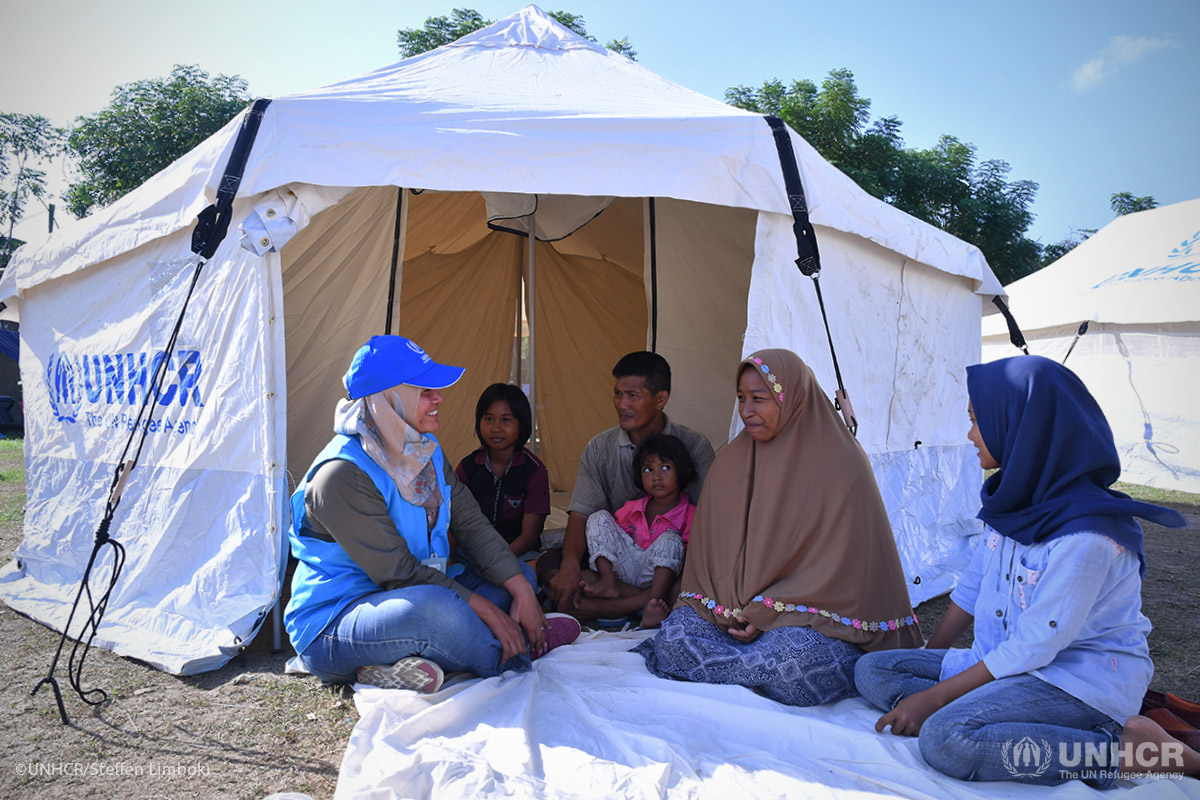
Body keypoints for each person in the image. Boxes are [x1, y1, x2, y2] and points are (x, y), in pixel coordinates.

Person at [854, 355, 1195, 787]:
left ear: (1021, 428)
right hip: (1004, 664)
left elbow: (1037, 645)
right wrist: (928, 659)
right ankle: (1004, 719)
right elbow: (973, 587)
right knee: (873, 671)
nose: (970, 435)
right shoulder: (1012, 499)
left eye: (978, 422)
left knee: (947, 741)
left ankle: (1134, 753)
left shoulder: (1086, 537)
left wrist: (932, 699)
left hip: (1074, 681)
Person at [284, 335, 579, 692]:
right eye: (424, 390)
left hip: (423, 587)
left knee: (517, 580)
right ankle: (516, 653)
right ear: (387, 397)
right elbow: (400, 573)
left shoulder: (424, 450)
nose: (438, 397)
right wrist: (487, 612)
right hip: (341, 618)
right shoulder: (341, 475)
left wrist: (522, 593)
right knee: (437, 613)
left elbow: (470, 523)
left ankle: (393, 666)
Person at [636, 349, 922, 707]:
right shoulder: (731, 462)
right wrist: (734, 608)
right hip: (732, 614)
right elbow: (714, 559)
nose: (746, 411)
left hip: (807, 619)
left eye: (759, 399)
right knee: (676, 639)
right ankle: (753, 674)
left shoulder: (842, 463)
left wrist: (772, 611)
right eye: (741, 398)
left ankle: (737, 671)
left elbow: (842, 573)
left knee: (794, 665)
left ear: (793, 398)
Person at [545, 351, 715, 613]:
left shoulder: (694, 446)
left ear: (661, 400)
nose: (622, 405)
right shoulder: (599, 448)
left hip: (668, 567)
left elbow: (708, 527)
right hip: (615, 564)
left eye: (633, 396)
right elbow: (581, 515)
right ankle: (647, 601)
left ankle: (612, 606)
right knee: (551, 563)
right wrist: (569, 566)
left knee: (693, 573)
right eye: (617, 394)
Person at [577, 434, 696, 627]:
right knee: (598, 517)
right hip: (622, 573)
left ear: (682, 470)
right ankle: (608, 583)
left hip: (657, 579)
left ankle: (653, 604)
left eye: (665, 468)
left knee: (671, 540)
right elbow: (610, 540)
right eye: (648, 469)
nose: (656, 476)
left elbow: (691, 559)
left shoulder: (690, 514)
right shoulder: (631, 508)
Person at [455, 383, 550, 558]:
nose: (495, 428)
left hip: (518, 554)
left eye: (505, 420)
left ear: (521, 425)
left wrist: (498, 562)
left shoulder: (534, 471)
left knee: (531, 572)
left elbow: (529, 537)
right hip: (472, 552)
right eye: (489, 419)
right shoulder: (468, 467)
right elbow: (454, 521)